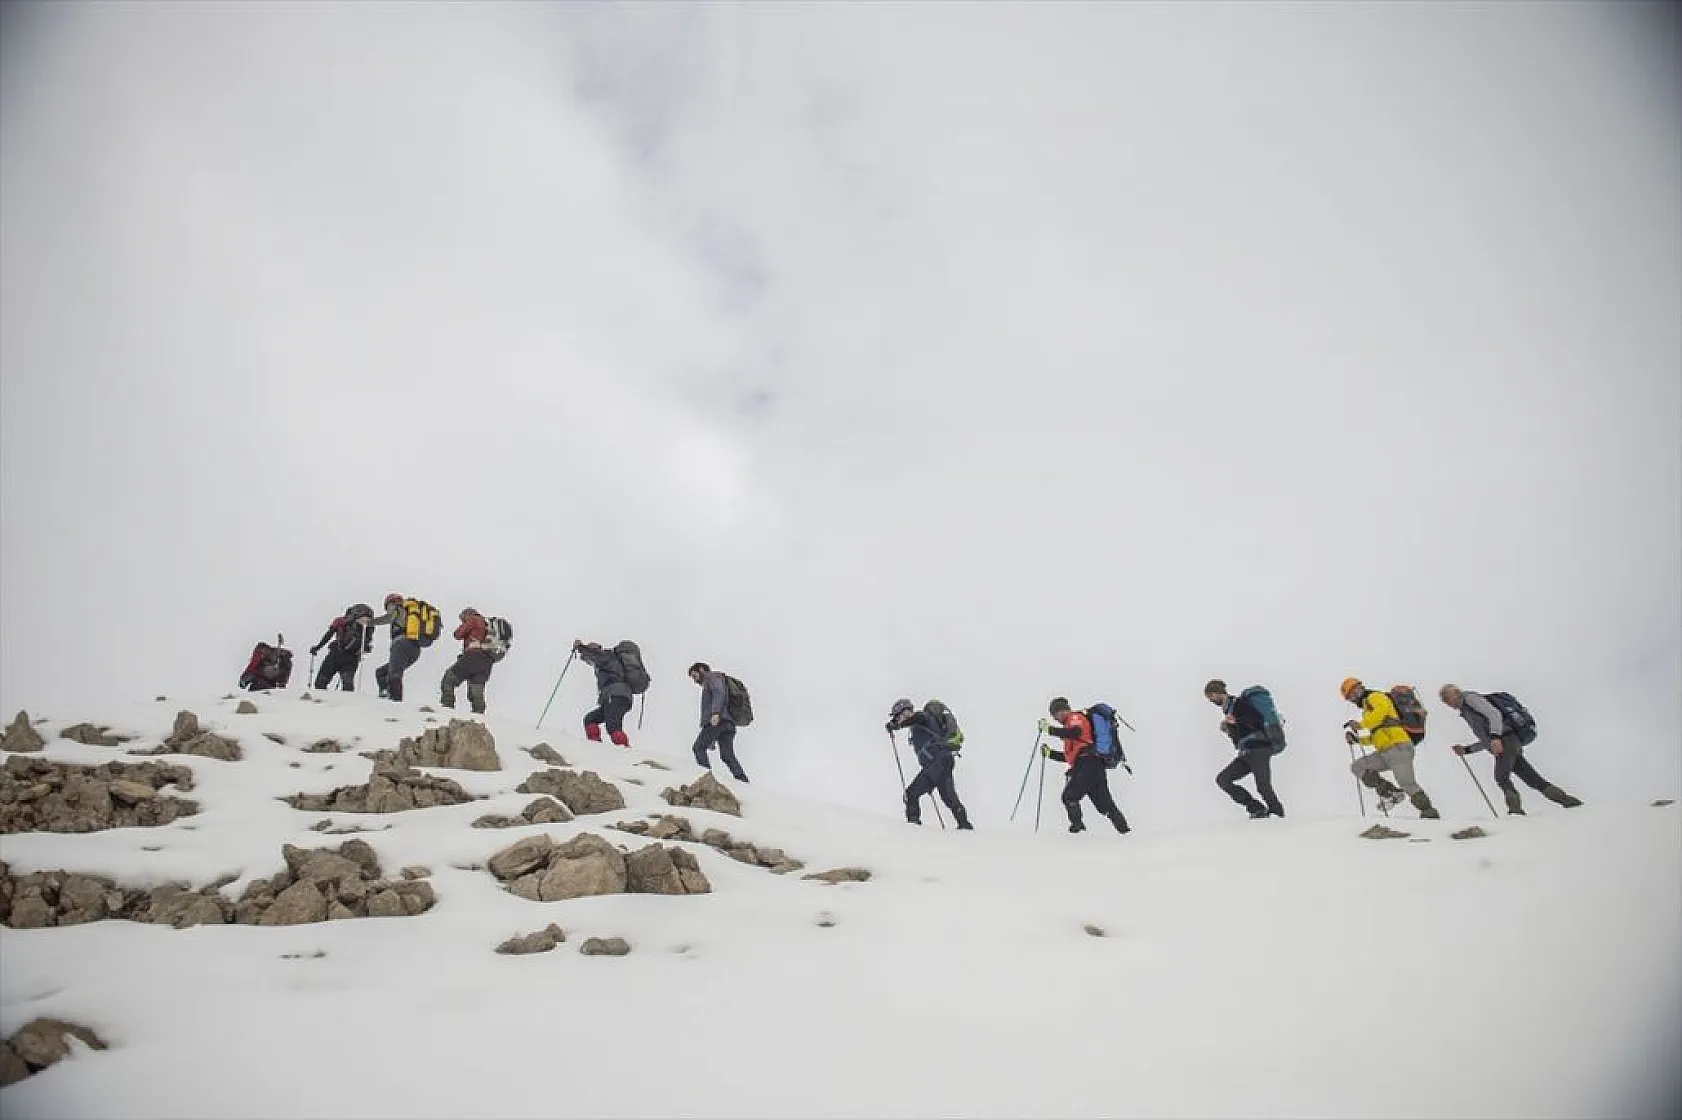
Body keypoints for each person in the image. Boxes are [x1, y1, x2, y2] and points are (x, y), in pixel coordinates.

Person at [1439, 684, 1583, 814]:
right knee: (1532, 779)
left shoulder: (1470, 699)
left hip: (1506, 740)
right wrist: (1467, 750)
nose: (1447, 702)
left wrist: (1496, 737)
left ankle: (1515, 812)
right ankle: (1568, 801)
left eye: (1447, 698)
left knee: (1501, 776)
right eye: (1444, 700)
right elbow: (1486, 738)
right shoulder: (1466, 710)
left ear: (1457, 693)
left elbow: (1494, 714)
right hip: (1507, 741)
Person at [1341, 677, 1439, 819]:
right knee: (1358, 766)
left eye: (1355, 691)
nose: (1354, 696)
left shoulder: (1375, 696)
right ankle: (1391, 793)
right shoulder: (1366, 711)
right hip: (1385, 752)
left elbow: (1380, 713)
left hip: (1398, 746)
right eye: (1350, 696)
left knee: (1407, 783)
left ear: (1361, 687)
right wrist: (1356, 738)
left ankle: (1429, 813)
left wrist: (1360, 725)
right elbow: (1370, 736)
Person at [1039, 697, 1130, 835]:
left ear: (1062, 711)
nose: (1055, 718)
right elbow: (1072, 756)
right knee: (1106, 805)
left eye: (1055, 715)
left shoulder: (1074, 717)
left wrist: (1049, 730)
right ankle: (1126, 833)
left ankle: (1078, 831)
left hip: (1088, 765)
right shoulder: (1071, 726)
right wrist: (1050, 753)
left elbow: (1076, 732)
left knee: (1069, 797)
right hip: (1093, 765)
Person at [1204, 679, 1286, 819]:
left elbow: (1256, 720)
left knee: (1263, 786)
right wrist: (1229, 729)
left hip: (1259, 749)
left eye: (1210, 697)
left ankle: (1278, 814)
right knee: (1223, 779)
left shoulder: (1238, 703)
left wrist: (1236, 721)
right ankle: (1257, 809)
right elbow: (1242, 732)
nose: (1211, 701)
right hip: (1246, 753)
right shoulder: (1228, 708)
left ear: (1217, 693)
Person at [886, 698, 971, 829]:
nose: (898, 720)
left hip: (938, 762)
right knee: (949, 798)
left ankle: (912, 828)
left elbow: (916, 718)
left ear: (905, 711)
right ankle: (965, 826)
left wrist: (895, 725)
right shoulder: (918, 727)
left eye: (898, 716)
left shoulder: (922, 717)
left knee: (911, 794)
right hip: (941, 762)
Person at [687, 662, 749, 782]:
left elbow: (718, 693)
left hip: (718, 721)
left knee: (698, 747)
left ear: (701, 669)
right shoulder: (716, 679)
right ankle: (742, 780)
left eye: (695, 676)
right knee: (727, 755)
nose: (695, 680)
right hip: (728, 723)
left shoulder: (712, 678)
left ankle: (706, 778)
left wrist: (716, 713)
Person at [371, 593, 431, 703]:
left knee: (394, 674)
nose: (387, 609)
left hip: (401, 644)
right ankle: (386, 695)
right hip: (414, 649)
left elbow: (388, 618)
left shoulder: (399, 609)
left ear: (394, 603)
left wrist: (370, 622)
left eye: (388, 606)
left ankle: (395, 703)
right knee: (382, 672)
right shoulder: (410, 613)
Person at [574, 640, 633, 748]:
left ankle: (626, 751)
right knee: (590, 719)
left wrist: (581, 647)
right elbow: (591, 659)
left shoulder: (607, 656)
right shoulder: (607, 660)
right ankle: (595, 746)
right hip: (616, 696)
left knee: (613, 727)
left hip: (615, 695)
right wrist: (583, 652)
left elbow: (595, 657)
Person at [308, 604, 375, 691]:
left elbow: (328, 635)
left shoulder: (340, 621)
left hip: (335, 654)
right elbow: (367, 642)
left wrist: (317, 647)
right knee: (347, 685)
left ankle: (321, 700)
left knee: (321, 682)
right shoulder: (367, 627)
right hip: (352, 658)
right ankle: (347, 703)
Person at [440, 608, 495, 715]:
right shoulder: (487, 625)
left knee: (448, 680)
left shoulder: (473, 619)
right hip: (487, 662)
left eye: (462, 618)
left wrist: (464, 626)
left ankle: (446, 710)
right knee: (476, 691)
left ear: (467, 614)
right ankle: (479, 716)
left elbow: (458, 634)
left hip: (473, 656)